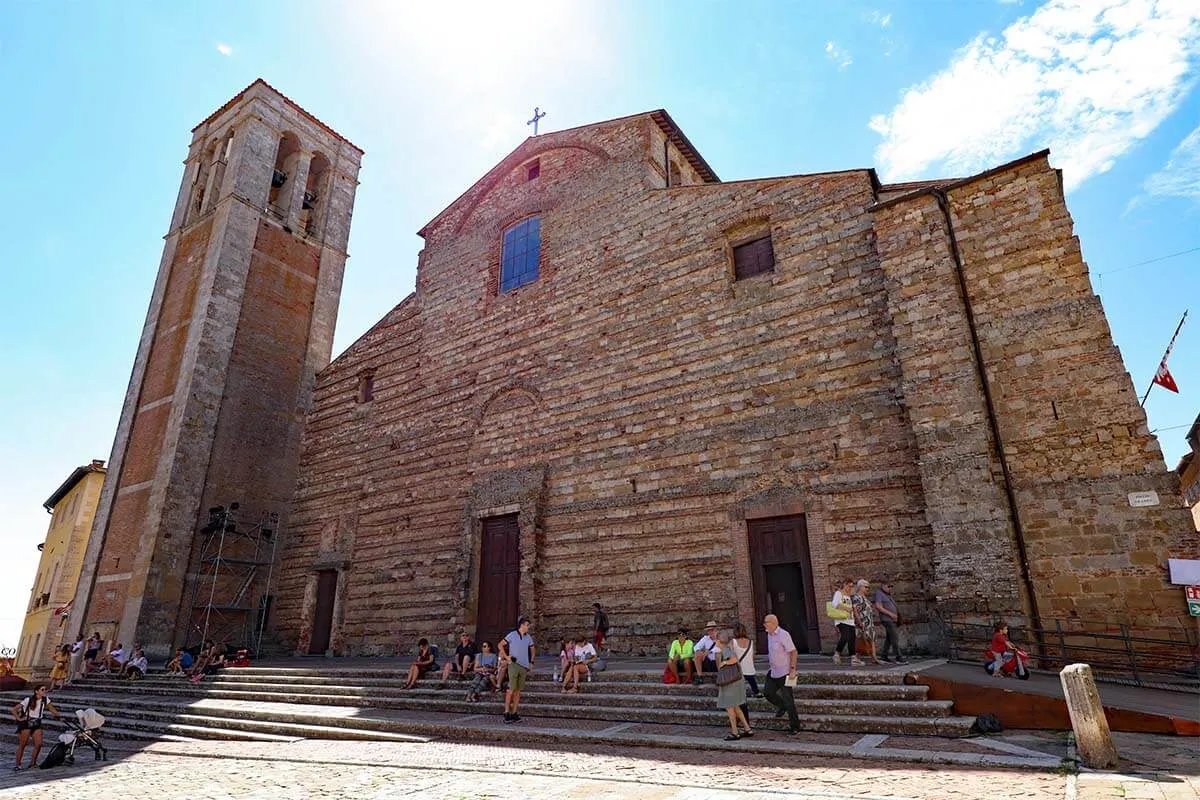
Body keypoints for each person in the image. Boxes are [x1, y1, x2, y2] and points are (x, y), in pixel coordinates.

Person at [762, 614, 800, 734]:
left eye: (766, 622)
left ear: (773, 623)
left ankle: (795, 726)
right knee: (768, 693)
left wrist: (793, 669)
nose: (764, 625)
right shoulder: (769, 634)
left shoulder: (783, 635)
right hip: (773, 671)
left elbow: (793, 652)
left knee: (789, 699)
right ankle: (781, 706)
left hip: (785, 672)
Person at [11, 684, 62, 771]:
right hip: (27, 723)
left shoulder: (45, 700)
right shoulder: (28, 700)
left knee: (39, 744)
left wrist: (58, 715)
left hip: (37, 723)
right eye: (42, 690)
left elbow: (52, 709)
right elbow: (13, 709)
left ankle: (32, 763)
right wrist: (19, 719)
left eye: (45, 689)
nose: (44, 691)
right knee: (23, 744)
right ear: (36, 691)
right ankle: (18, 764)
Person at [714, 629, 753, 741]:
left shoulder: (726, 650)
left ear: (719, 641)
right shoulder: (727, 648)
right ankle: (747, 728)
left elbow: (734, 660)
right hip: (735, 681)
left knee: (730, 707)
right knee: (736, 707)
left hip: (731, 683)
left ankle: (735, 732)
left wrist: (724, 663)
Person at [499, 616, 536, 723]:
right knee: (511, 689)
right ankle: (506, 712)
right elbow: (500, 644)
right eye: (527, 625)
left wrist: (531, 661)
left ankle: (514, 712)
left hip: (524, 666)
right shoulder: (512, 635)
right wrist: (506, 657)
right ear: (522, 625)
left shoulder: (528, 637)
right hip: (514, 664)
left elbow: (533, 649)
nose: (528, 627)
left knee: (518, 691)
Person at [873, 582, 905, 663]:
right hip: (887, 619)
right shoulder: (879, 593)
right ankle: (899, 656)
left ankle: (884, 656)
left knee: (889, 638)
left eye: (891, 586)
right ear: (883, 586)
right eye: (888, 586)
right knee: (894, 638)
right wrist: (891, 614)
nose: (890, 588)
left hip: (892, 620)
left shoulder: (888, 595)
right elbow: (878, 606)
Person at [831, 579, 860, 666]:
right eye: (849, 586)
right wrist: (848, 609)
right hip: (841, 619)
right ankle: (837, 653)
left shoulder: (850, 596)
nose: (850, 588)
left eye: (852, 586)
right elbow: (835, 604)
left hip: (850, 620)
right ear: (845, 585)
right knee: (845, 636)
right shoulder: (838, 593)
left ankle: (853, 658)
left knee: (852, 638)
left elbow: (852, 607)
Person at [851, 579, 880, 665]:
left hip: (869, 622)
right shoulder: (856, 597)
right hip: (862, 622)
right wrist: (859, 621)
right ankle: (856, 658)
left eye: (868, 587)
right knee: (862, 640)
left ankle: (874, 658)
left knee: (871, 639)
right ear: (860, 587)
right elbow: (855, 610)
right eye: (866, 587)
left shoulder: (865, 598)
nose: (868, 589)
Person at [732, 623, 760, 698]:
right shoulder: (751, 642)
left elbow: (732, 656)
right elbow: (752, 656)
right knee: (752, 681)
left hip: (739, 669)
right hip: (750, 668)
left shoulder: (733, 642)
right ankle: (757, 692)